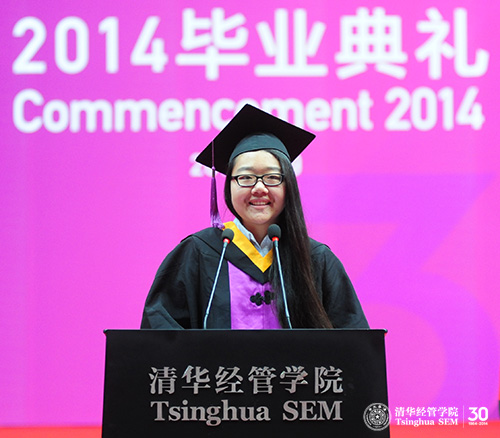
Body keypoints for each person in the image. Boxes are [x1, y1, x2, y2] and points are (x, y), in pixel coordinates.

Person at [141, 104, 368, 330]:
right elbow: (160, 334)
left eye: (272, 177)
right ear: (229, 186)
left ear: (289, 185)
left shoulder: (316, 259)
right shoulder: (198, 252)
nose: (259, 188)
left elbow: (353, 341)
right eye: (246, 177)